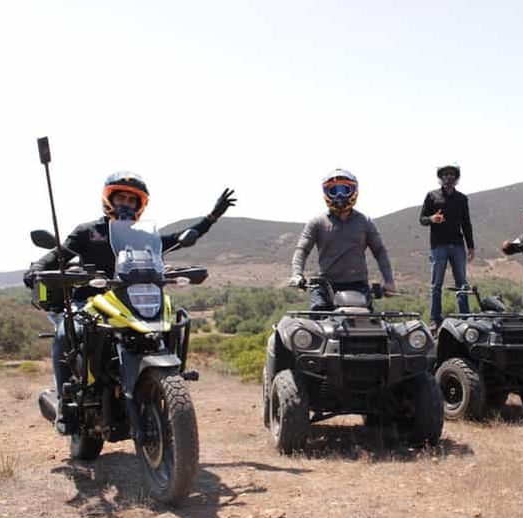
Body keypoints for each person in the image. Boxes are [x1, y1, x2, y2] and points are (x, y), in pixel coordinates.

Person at [23, 171, 236, 431]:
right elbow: (59, 253)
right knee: (66, 331)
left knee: (171, 322)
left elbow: (177, 241)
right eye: (120, 197)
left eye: (131, 200)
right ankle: (64, 405)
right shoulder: (87, 232)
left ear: (139, 205)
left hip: (131, 300)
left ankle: (162, 382)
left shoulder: (144, 237)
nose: (125, 203)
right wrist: (37, 267)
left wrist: (211, 218)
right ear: (109, 199)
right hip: (91, 300)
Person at [289, 169, 396, 310]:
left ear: (353, 191)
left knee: (367, 329)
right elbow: (302, 250)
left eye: (344, 189)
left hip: (358, 287)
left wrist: (389, 281)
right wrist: (296, 275)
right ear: (326, 193)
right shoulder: (317, 222)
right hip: (325, 287)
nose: (339, 195)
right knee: (314, 328)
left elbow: (380, 251)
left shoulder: (365, 221)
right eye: (334, 190)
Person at [419, 164, 475, 329]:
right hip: (438, 246)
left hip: (458, 245)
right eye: (445, 175)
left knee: (462, 284)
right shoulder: (432, 196)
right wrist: (432, 219)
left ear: (456, 178)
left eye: (452, 175)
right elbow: (421, 219)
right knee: (436, 284)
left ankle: (465, 318)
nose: (449, 177)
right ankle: (435, 320)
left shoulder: (462, 198)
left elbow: (466, 223)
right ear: (441, 177)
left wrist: (471, 246)